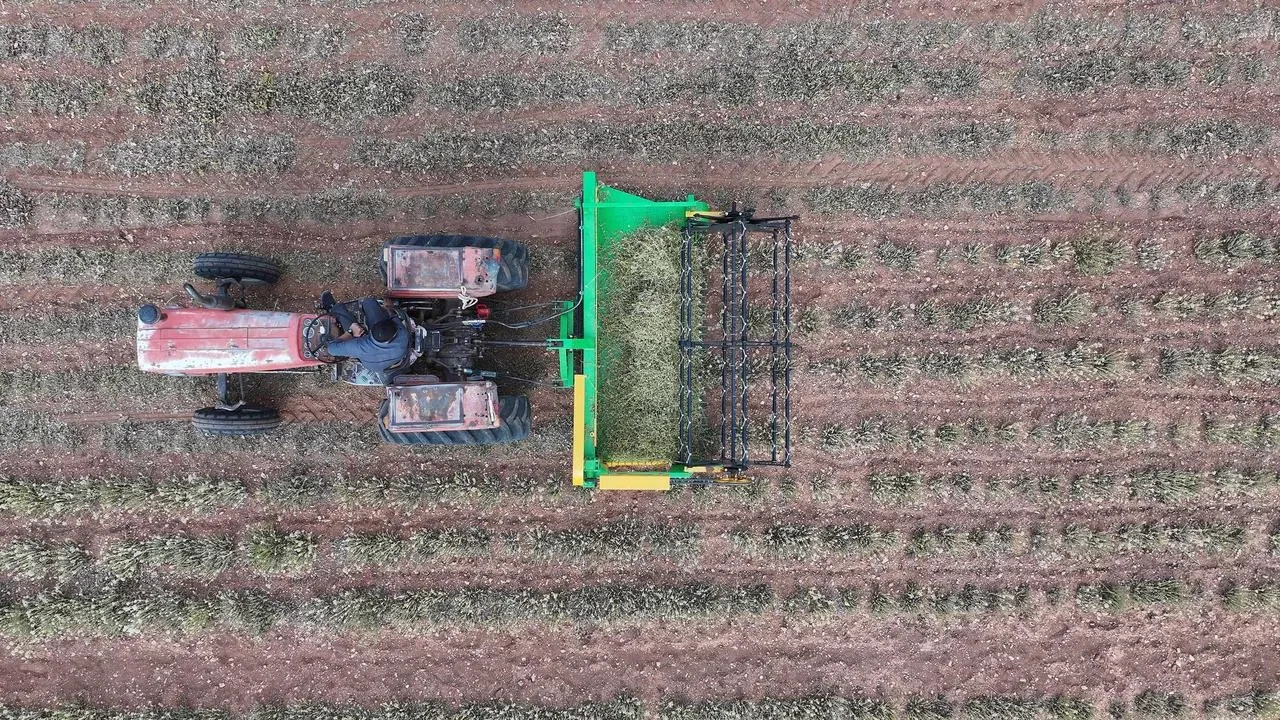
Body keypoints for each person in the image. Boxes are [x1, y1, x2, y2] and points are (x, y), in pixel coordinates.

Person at [319, 292, 411, 374]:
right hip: (390, 358)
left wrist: (351, 332)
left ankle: (333, 308)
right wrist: (389, 308)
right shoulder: (402, 333)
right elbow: (394, 317)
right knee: (369, 302)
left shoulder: (362, 346)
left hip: (371, 362)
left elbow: (331, 349)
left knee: (362, 310)